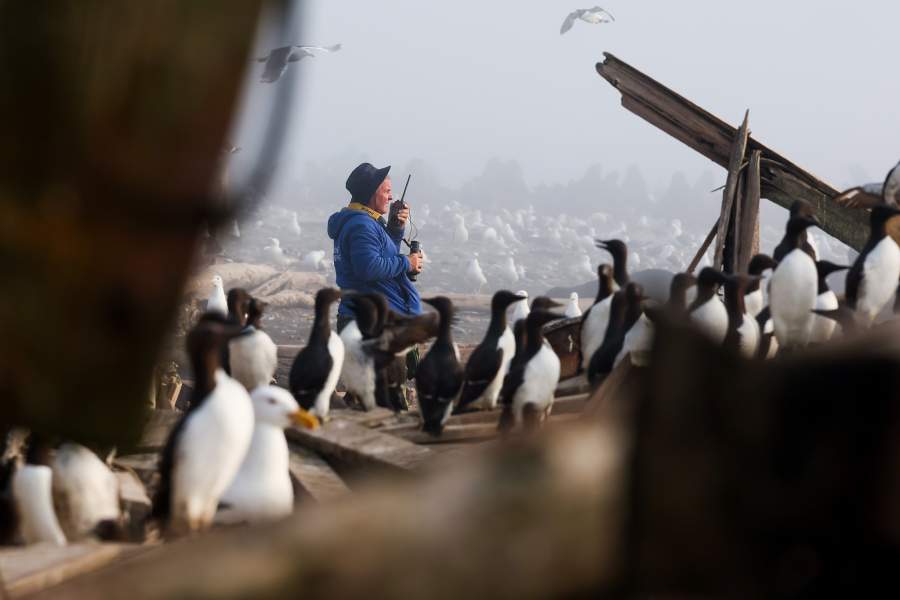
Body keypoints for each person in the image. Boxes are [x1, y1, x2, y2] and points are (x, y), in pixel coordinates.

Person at [327, 162, 424, 409]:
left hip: (367, 319)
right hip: (371, 326)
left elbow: (379, 253)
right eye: (386, 191)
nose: (391, 197)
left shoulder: (365, 221)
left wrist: (395, 227)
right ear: (372, 193)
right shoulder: (361, 225)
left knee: (367, 400)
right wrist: (407, 263)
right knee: (389, 405)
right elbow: (368, 268)